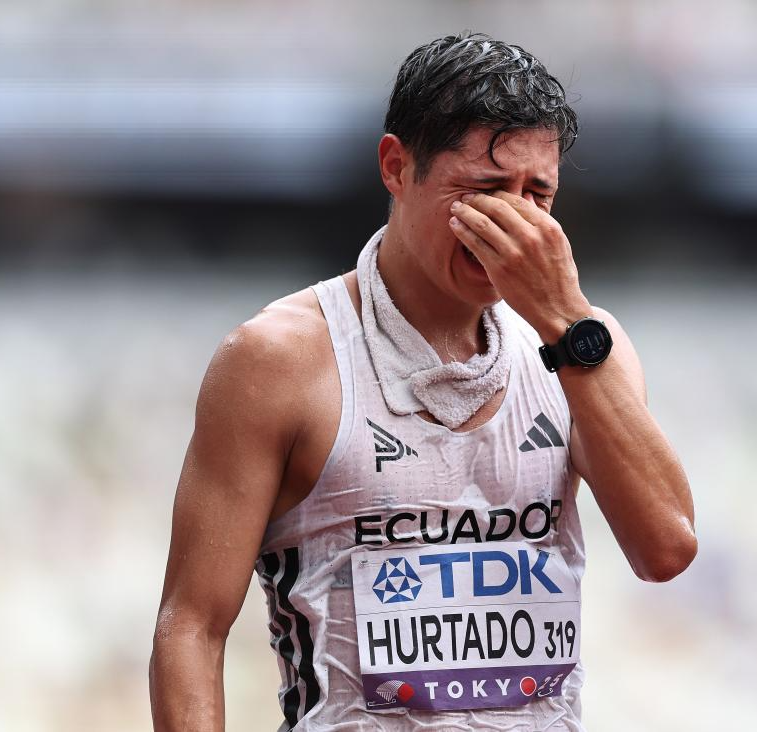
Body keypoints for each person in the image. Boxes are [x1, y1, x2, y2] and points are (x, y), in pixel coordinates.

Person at [150, 32, 697, 732]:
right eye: (485, 191)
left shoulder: (584, 347)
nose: (515, 225)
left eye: (538, 195)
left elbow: (666, 548)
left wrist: (566, 326)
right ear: (396, 167)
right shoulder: (277, 360)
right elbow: (192, 627)